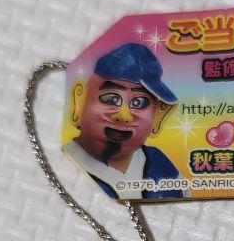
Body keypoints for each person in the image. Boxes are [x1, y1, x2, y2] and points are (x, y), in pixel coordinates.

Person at [65, 42, 183, 199]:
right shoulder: (64, 164)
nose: (124, 116)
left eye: (138, 102)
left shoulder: (162, 166)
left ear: (158, 117)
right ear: (79, 102)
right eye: (111, 99)